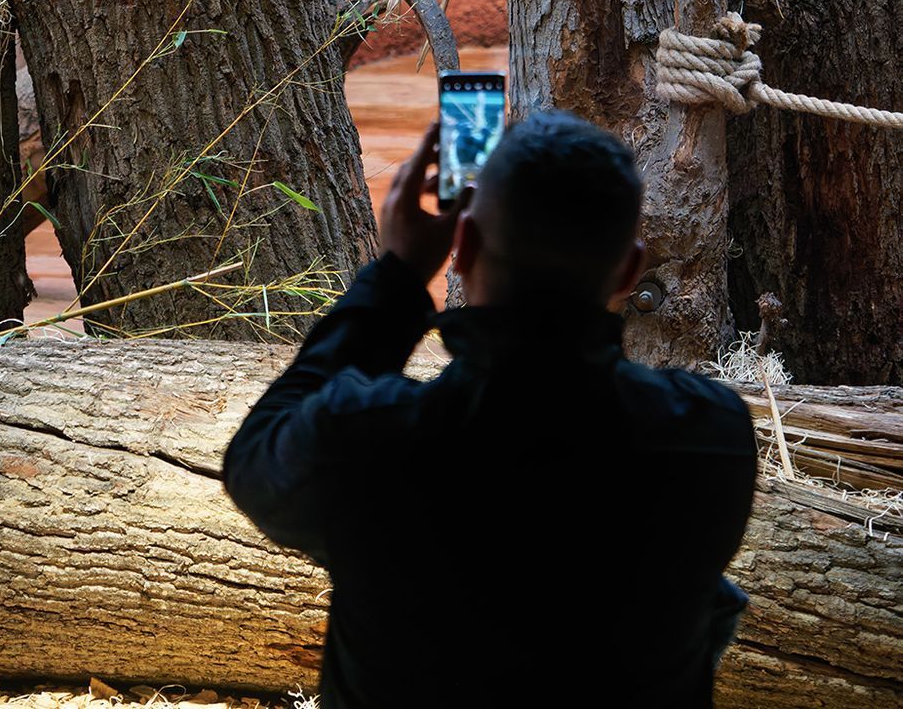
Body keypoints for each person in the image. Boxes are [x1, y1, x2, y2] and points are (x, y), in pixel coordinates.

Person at [223, 111, 757, 708]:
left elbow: (253, 460)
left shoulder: (367, 438)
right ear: (630, 272)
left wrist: (397, 279)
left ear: (465, 246)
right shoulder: (712, 439)